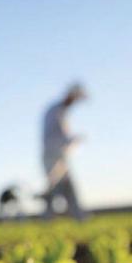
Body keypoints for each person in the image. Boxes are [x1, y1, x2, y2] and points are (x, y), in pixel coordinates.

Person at [41, 84, 87, 220]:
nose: (75, 102)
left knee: (68, 187)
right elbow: (57, 136)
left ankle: (79, 217)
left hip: (59, 156)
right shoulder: (56, 111)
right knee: (55, 188)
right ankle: (47, 219)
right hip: (52, 156)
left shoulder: (60, 111)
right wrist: (73, 140)